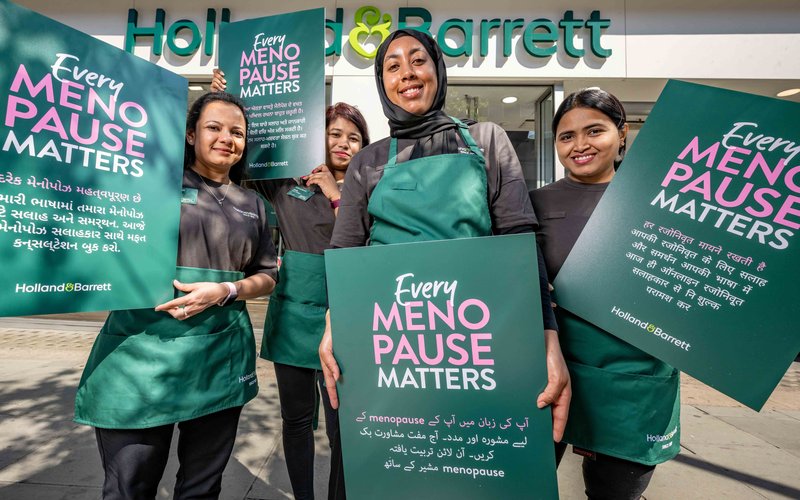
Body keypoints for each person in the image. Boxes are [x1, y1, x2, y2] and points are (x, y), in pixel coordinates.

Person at [318, 28, 571, 459]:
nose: (407, 73)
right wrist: (332, 327)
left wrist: (547, 337)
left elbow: (519, 242)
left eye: (418, 60)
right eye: (392, 66)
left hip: (473, 341)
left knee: (469, 463)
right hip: (387, 341)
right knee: (383, 465)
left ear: (438, 68)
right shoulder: (368, 160)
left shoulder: (487, 140)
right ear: (383, 83)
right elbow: (345, 255)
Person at [74, 92, 278, 499]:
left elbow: (267, 275)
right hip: (140, 358)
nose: (227, 138)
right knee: (129, 487)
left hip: (218, 361)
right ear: (189, 134)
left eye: (237, 132)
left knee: (201, 489)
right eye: (214, 128)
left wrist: (227, 290)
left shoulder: (255, 204)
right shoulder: (150, 186)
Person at [212, 68, 370, 500]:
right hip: (294, 317)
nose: (343, 143)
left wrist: (335, 192)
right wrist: (229, 98)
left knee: (346, 427)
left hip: (347, 318)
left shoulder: (369, 186)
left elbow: (363, 241)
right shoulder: (285, 183)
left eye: (353, 137)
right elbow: (242, 154)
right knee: (296, 421)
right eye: (334, 134)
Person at [530, 87, 680, 500]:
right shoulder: (534, 204)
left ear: (621, 133)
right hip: (549, 369)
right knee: (524, 483)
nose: (580, 145)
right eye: (566, 136)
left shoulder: (663, 203)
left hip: (634, 378)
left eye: (593, 130)